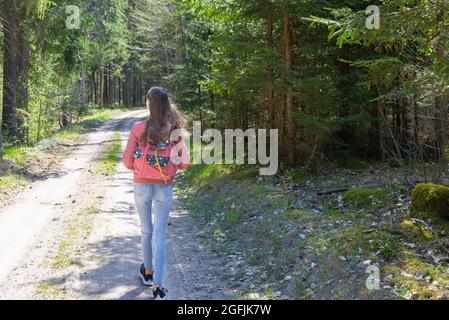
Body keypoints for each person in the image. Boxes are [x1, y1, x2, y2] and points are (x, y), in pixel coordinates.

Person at [122, 86, 190, 300]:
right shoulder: (174, 130)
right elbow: (185, 163)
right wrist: (171, 164)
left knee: (146, 230)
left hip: (141, 185)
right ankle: (158, 288)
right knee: (160, 234)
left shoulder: (137, 128)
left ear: (149, 104)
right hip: (164, 186)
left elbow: (126, 161)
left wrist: (141, 168)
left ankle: (148, 272)